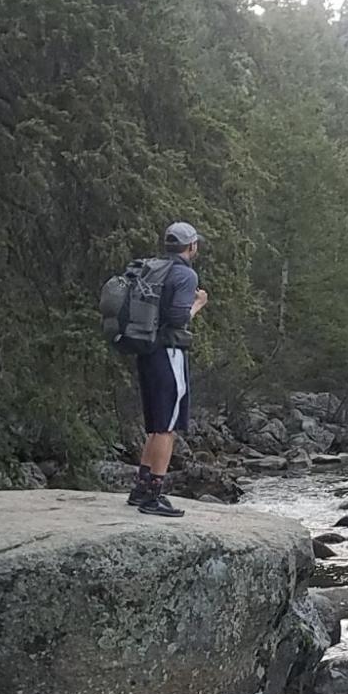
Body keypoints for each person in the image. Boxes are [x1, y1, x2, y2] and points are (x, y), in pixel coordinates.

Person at [128, 221, 208, 517]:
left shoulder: (153, 268)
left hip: (147, 350)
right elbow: (178, 318)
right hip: (169, 352)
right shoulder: (185, 275)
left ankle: (141, 489)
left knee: (155, 423)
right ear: (191, 247)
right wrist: (199, 304)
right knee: (167, 427)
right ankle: (154, 496)